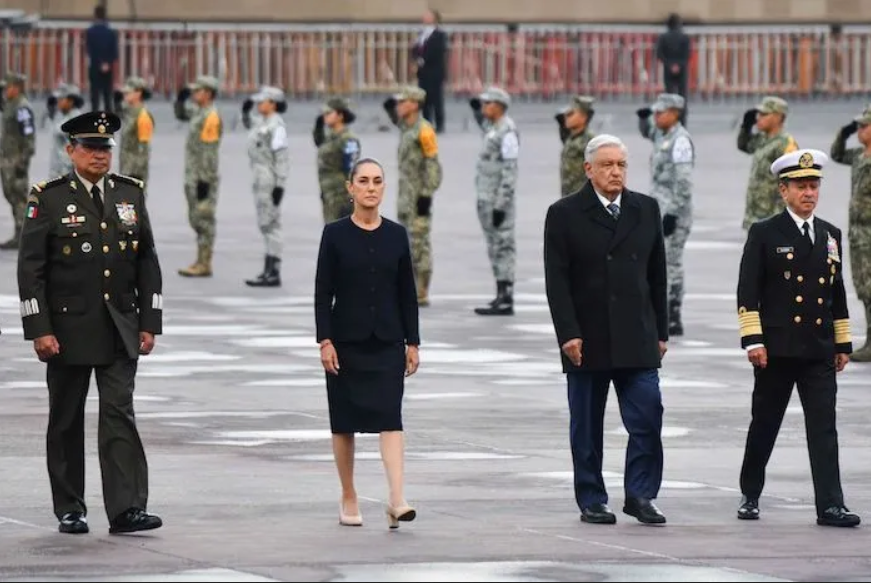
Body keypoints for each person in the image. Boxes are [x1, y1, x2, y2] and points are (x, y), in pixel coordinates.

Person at [16, 110, 164, 535]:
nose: (100, 155)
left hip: (120, 326)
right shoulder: (48, 198)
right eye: (91, 148)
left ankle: (127, 509)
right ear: (71, 151)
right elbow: (31, 270)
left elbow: (147, 262)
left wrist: (150, 320)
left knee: (119, 415)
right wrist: (39, 329)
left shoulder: (129, 194)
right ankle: (70, 507)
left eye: (105, 149)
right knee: (66, 419)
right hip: (67, 331)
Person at [544, 134, 669, 526]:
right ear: (589, 169)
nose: (615, 172)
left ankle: (641, 493)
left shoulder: (645, 209)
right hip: (588, 337)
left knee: (648, 416)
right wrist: (568, 334)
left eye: (621, 165)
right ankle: (592, 498)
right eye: (607, 165)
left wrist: (661, 331)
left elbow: (658, 276)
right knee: (586, 426)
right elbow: (557, 281)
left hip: (637, 335)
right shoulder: (564, 213)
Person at [736, 148, 860, 528]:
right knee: (765, 423)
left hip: (818, 349)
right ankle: (750, 493)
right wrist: (753, 341)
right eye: (801, 187)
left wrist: (842, 343)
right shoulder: (765, 232)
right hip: (777, 349)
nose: (809, 193)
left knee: (824, 427)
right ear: (783, 190)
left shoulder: (829, 235)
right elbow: (747, 291)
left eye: (814, 186)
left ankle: (831, 505)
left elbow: (836, 292)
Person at [314, 157, 420, 530]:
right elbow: (322, 291)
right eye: (363, 181)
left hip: (388, 341)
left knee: (391, 418)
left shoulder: (396, 234)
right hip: (346, 343)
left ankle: (396, 498)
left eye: (377, 181)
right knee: (344, 423)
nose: (371, 187)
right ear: (350, 188)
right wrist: (324, 341)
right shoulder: (335, 234)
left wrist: (413, 341)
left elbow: (407, 291)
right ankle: (348, 494)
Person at [637, 93, 694, 335]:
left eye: (660, 113)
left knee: (672, 262)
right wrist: (643, 120)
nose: (656, 117)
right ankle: (660, 309)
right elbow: (648, 131)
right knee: (657, 262)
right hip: (658, 211)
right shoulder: (662, 134)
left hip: (674, 212)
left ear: (675, 113)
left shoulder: (680, 141)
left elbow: (684, 182)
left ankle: (673, 313)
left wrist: (673, 213)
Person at [382, 86, 442, 305]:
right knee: (407, 243)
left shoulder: (424, 130)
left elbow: (433, 164)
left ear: (414, 104)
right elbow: (394, 118)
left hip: (418, 198)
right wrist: (391, 107)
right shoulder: (407, 128)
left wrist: (427, 194)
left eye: (403, 101)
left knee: (420, 243)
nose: (399, 105)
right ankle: (411, 288)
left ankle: (422, 290)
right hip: (405, 197)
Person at [469, 86, 519, 316]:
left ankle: (507, 295)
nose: (484, 107)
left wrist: (502, 203)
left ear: (499, 106)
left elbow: (510, 170)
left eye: (488, 103)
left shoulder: (507, 131)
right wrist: (477, 110)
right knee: (493, 246)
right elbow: (482, 123)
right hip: (485, 197)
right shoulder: (493, 128)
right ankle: (500, 292)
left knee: (503, 245)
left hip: (499, 200)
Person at [830, 105, 871, 361]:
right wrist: (842, 134)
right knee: (864, 288)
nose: (860, 131)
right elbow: (836, 154)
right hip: (859, 235)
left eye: (864, 126)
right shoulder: (859, 156)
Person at [174, 75, 223, 277]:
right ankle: (200, 260)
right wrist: (180, 99)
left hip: (203, 176)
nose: (194, 94)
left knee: (204, 219)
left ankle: (205, 262)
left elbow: (209, 151)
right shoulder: (199, 111)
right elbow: (182, 114)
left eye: (197, 91)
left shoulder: (211, 116)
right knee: (196, 218)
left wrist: (205, 180)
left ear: (208, 93)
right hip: (193, 174)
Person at [241, 86, 289, 287]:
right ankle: (267, 269)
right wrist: (245, 111)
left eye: (263, 101)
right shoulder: (262, 122)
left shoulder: (277, 127)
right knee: (264, 223)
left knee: (272, 224)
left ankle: (274, 271)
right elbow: (250, 125)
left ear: (273, 103)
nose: (259, 104)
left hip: (269, 178)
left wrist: (280, 184)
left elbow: (281, 157)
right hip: (259, 177)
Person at [738, 96, 798, 230]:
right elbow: (744, 146)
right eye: (758, 114)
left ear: (778, 117)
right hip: (755, 215)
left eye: (764, 114)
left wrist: (780, 219)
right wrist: (746, 127)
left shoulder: (785, 144)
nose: (758, 118)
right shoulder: (762, 139)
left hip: (772, 217)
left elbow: (791, 184)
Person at [0, 72, 36, 250]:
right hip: (7, 161)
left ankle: (24, 235)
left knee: (20, 198)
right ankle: (18, 234)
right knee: (11, 196)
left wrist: (23, 162)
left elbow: (29, 138)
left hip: (16, 162)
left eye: (8, 87)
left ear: (17, 88)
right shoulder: (10, 105)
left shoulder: (22, 108)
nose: (6, 90)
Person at [313, 97, 361, 224]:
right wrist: (318, 127)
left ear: (340, 115)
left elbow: (351, 169)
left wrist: (350, 198)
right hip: (328, 195)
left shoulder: (348, 139)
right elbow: (320, 143)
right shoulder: (330, 137)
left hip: (341, 197)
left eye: (328, 113)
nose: (325, 117)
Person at [412, 8, 448, 133]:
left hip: (435, 71)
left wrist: (424, 59)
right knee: (424, 99)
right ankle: (427, 123)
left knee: (436, 99)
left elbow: (438, 51)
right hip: (423, 72)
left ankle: (440, 124)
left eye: (428, 15)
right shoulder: (421, 33)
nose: (425, 17)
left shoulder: (440, 34)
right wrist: (416, 58)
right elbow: (415, 49)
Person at [555, 95, 596, 197]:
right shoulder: (571, 138)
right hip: (568, 195)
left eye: (571, 114)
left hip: (582, 197)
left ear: (583, 117)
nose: (566, 118)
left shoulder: (590, 140)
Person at [117, 77, 154, 185]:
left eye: (128, 92)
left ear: (138, 93)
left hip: (135, 173)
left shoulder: (143, 116)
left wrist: (136, 176)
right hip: (125, 170)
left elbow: (144, 148)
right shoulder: (129, 113)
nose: (125, 95)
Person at [655, 13, 691, 126]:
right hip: (682, 70)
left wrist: (670, 65)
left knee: (669, 95)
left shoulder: (663, 37)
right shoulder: (685, 38)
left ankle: (671, 121)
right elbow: (687, 54)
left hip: (668, 70)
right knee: (682, 96)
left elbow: (659, 53)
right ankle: (682, 121)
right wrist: (679, 65)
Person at [85, 4, 118, 112]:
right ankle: (109, 118)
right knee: (107, 94)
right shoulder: (111, 32)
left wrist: (99, 62)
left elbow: (90, 50)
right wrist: (106, 63)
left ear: (95, 16)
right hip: (107, 68)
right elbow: (114, 51)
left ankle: (94, 117)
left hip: (94, 66)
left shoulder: (90, 32)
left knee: (95, 94)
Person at [47, 84, 85, 178]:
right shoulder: (62, 116)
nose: (58, 103)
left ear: (71, 101)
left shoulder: (75, 119)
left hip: (68, 173)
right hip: (58, 171)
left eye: (61, 99)